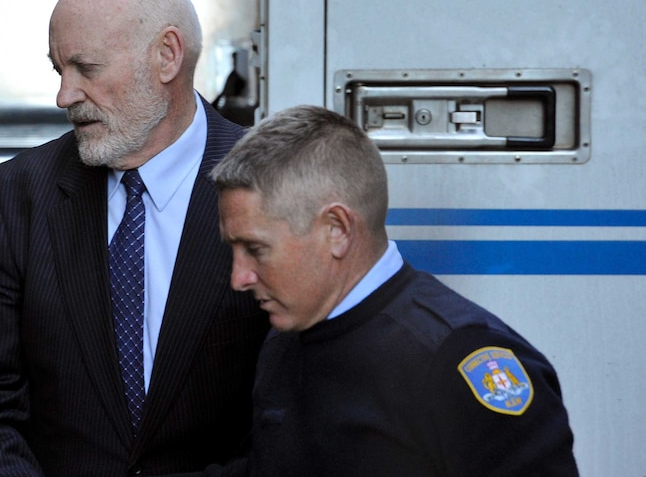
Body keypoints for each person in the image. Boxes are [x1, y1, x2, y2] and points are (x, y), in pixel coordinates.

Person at [0, 0, 269, 476]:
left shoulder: (271, 182)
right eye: (59, 71)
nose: (64, 96)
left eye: (85, 68)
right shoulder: (22, 191)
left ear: (166, 56)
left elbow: (301, 406)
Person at [210, 105, 579, 476]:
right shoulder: (287, 339)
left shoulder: (455, 359)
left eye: (255, 250)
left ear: (336, 229)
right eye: (234, 251)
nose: (239, 278)